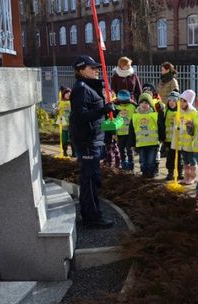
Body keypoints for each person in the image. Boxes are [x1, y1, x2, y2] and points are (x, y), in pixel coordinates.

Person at [69, 55, 114, 229]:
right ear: (81, 70)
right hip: (87, 142)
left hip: (94, 140)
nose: (96, 70)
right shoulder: (81, 88)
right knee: (89, 180)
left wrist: (109, 111)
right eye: (92, 68)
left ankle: (90, 213)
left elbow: (93, 111)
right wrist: (103, 110)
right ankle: (92, 217)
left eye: (96, 68)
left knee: (93, 179)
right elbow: (80, 116)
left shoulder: (89, 87)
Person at [128, 92, 163, 178]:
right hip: (141, 144)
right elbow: (132, 131)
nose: (144, 104)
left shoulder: (154, 115)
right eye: (142, 102)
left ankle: (151, 174)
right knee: (143, 161)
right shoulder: (135, 116)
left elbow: (160, 127)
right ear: (139, 104)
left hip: (152, 143)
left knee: (151, 160)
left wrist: (162, 138)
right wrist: (132, 143)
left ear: (150, 105)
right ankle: (144, 173)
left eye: (146, 103)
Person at [171, 89, 198, 185]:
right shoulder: (179, 112)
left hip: (190, 143)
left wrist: (190, 126)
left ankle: (193, 177)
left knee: (192, 160)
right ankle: (186, 177)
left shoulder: (194, 112)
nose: (181, 103)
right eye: (181, 100)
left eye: (184, 101)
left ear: (189, 102)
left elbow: (196, 128)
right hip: (181, 142)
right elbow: (176, 126)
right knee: (185, 160)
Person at [163, 90, 184, 180]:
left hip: (178, 139)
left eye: (174, 101)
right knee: (170, 157)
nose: (171, 103)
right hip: (168, 140)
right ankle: (170, 172)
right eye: (170, 100)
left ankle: (180, 172)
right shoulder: (166, 111)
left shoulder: (181, 112)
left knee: (179, 157)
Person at [115, 90, 136, 171]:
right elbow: (112, 118)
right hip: (120, 133)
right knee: (121, 149)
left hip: (129, 133)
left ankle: (131, 165)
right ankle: (123, 164)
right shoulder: (116, 107)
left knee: (129, 149)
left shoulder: (133, 106)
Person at [55, 86, 76, 157]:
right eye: (67, 93)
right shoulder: (59, 102)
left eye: (70, 93)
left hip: (72, 123)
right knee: (64, 138)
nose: (68, 95)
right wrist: (57, 110)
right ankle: (64, 151)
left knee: (73, 138)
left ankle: (74, 152)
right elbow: (54, 111)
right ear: (63, 94)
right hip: (63, 123)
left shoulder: (73, 102)